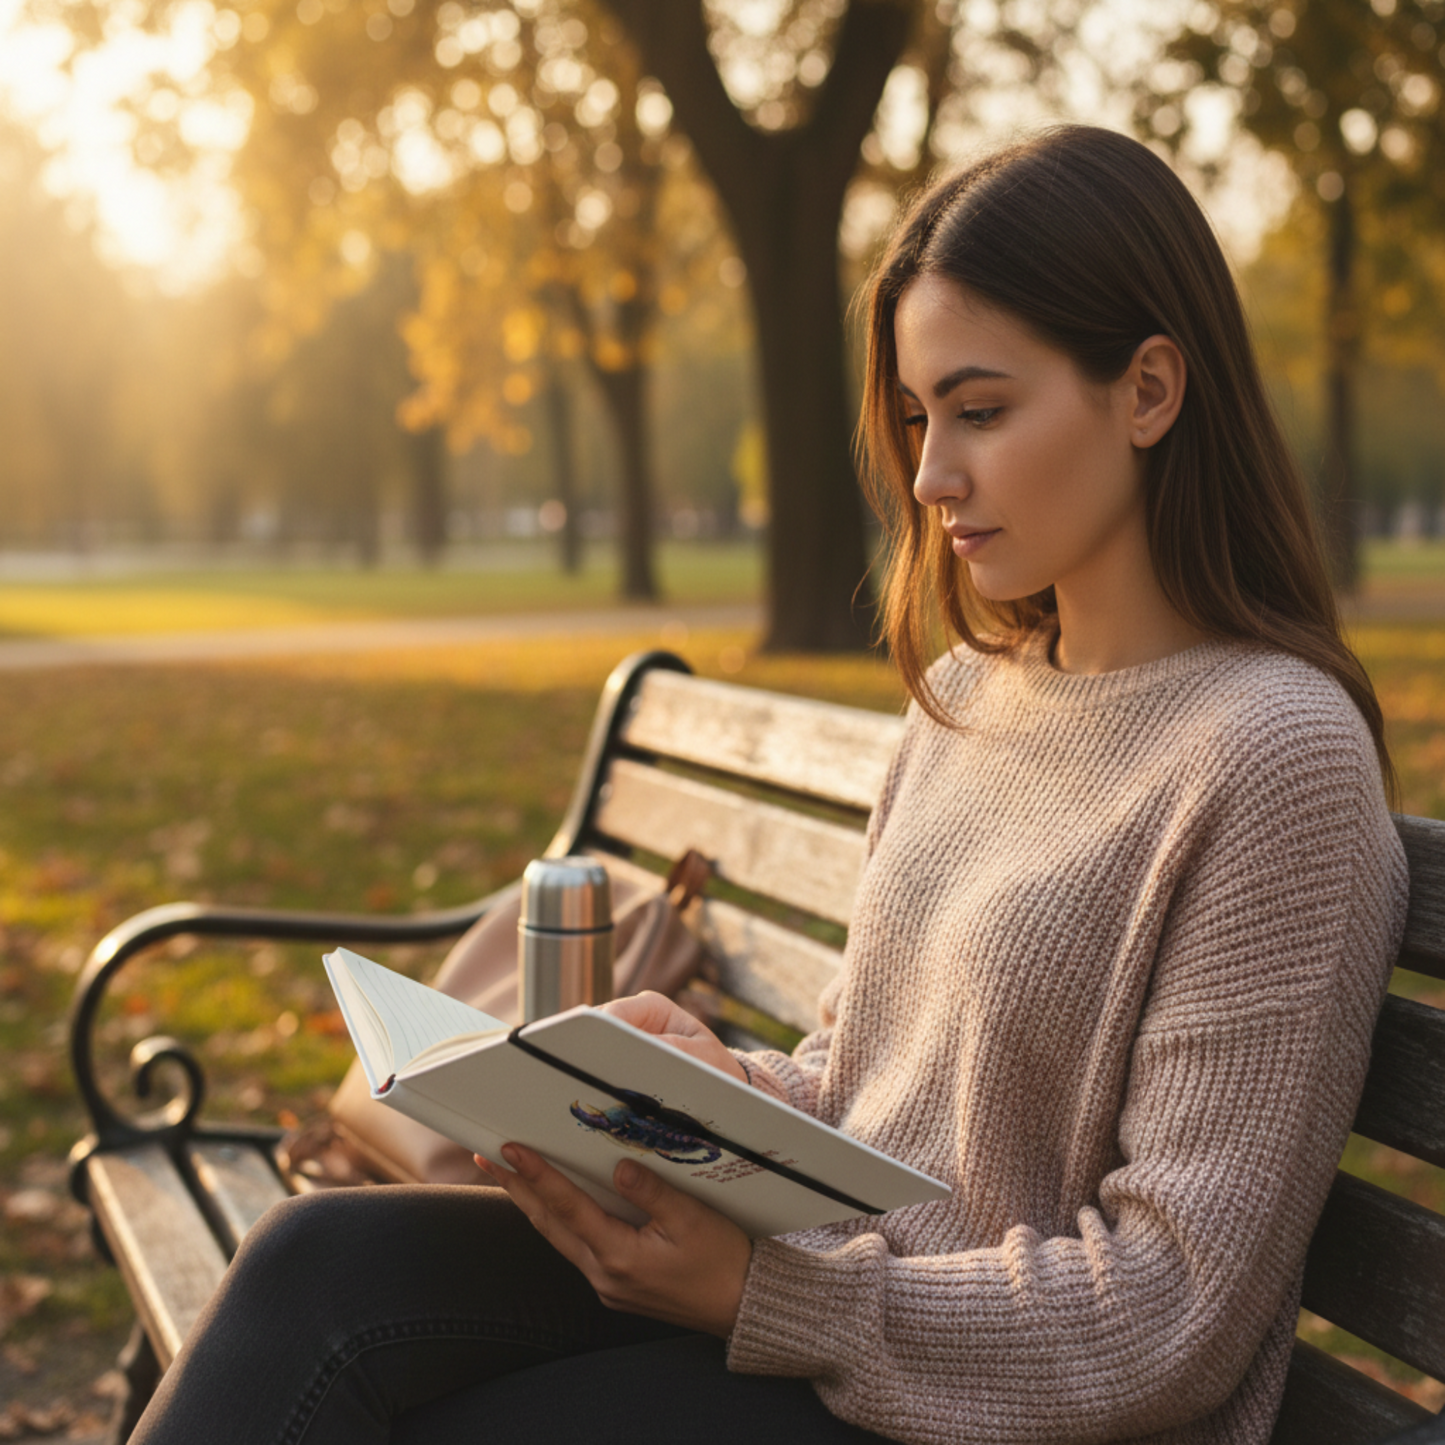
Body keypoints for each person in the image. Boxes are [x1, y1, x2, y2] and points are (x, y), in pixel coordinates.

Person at [129, 125, 1407, 1445]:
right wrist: (713, 1088)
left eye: (979, 411)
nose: (928, 477)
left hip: (995, 1404)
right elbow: (864, 1084)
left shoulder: (1275, 758)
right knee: (317, 1271)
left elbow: (1173, 1311)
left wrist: (780, 1296)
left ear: (1148, 390)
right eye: (917, 419)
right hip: (819, 1298)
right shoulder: (972, 694)